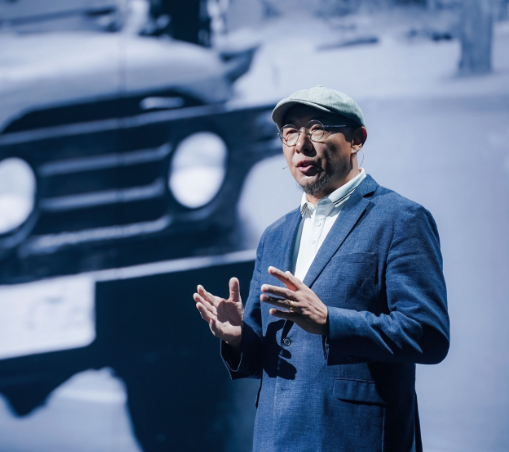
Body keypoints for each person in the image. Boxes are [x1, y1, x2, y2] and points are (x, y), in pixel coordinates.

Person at [193, 86, 450, 451]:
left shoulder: (401, 219)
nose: (301, 144)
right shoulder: (275, 235)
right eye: (290, 132)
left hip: (356, 437)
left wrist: (331, 321)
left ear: (356, 139)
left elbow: (428, 336)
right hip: (276, 439)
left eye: (316, 128)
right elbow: (263, 355)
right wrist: (238, 337)